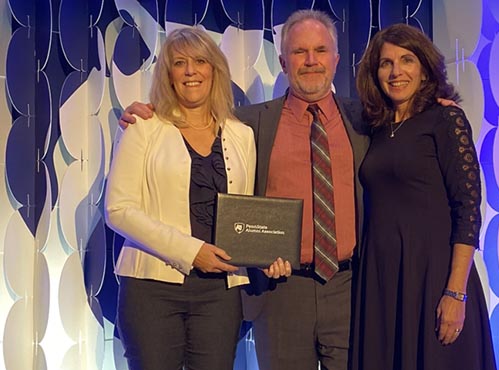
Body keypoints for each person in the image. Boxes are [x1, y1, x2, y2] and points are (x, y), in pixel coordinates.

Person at [119, 10, 368, 370]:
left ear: (337, 58)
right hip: (281, 292)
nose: (311, 61)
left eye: (320, 50)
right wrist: (139, 113)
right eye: (299, 52)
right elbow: (194, 124)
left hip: (350, 287)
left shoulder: (365, 120)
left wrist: (442, 104)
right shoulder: (248, 123)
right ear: (283, 61)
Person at [105, 27, 290, 370]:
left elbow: (243, 214)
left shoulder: (241, 135)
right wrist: (192, 252)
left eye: (200, 61)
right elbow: (118, 210)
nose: (191, 71)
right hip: (151, 288)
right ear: (169, 75)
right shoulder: (142, 127)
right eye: (179, 63)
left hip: (220, 292)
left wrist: (263, 254)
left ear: (214, 69)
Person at [351, 23, 497, 370]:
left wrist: (455, 292)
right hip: (383, 281)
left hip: (435, 278)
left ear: (425, 67)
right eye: (386, 63)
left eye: (407, 60)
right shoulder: (376, 128)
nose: (396, 71)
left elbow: (468, 211)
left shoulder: (446, 119)